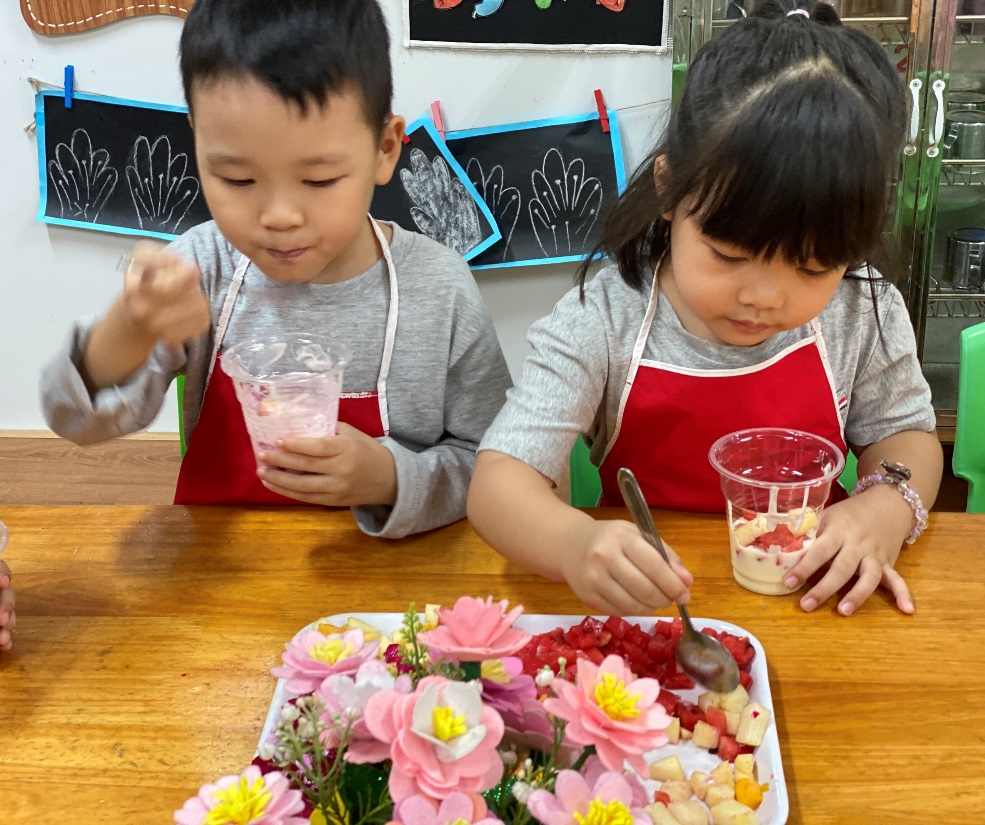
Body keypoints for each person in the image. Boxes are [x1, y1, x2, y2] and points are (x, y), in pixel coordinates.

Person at [468, 0, 943, 617]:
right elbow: (499, 484)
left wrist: (882, 506)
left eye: (811, 267)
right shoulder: (602, 318)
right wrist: (573, 543)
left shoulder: (859, 305)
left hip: (811, 593)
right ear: (669, 189)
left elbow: (907, 435)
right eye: (727, 254)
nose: (763, 297)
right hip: (654, 603)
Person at [40, 0, 511, 539]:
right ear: (197, 142)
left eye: (320, 180)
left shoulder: (440, 289)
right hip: (223, 575)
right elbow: (73, 422)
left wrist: (390, 479)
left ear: (385, 148)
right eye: (238, 180)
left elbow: (494, 465)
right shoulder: (202, 270)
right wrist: (130, 326)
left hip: (389, 588)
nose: (279, 217)